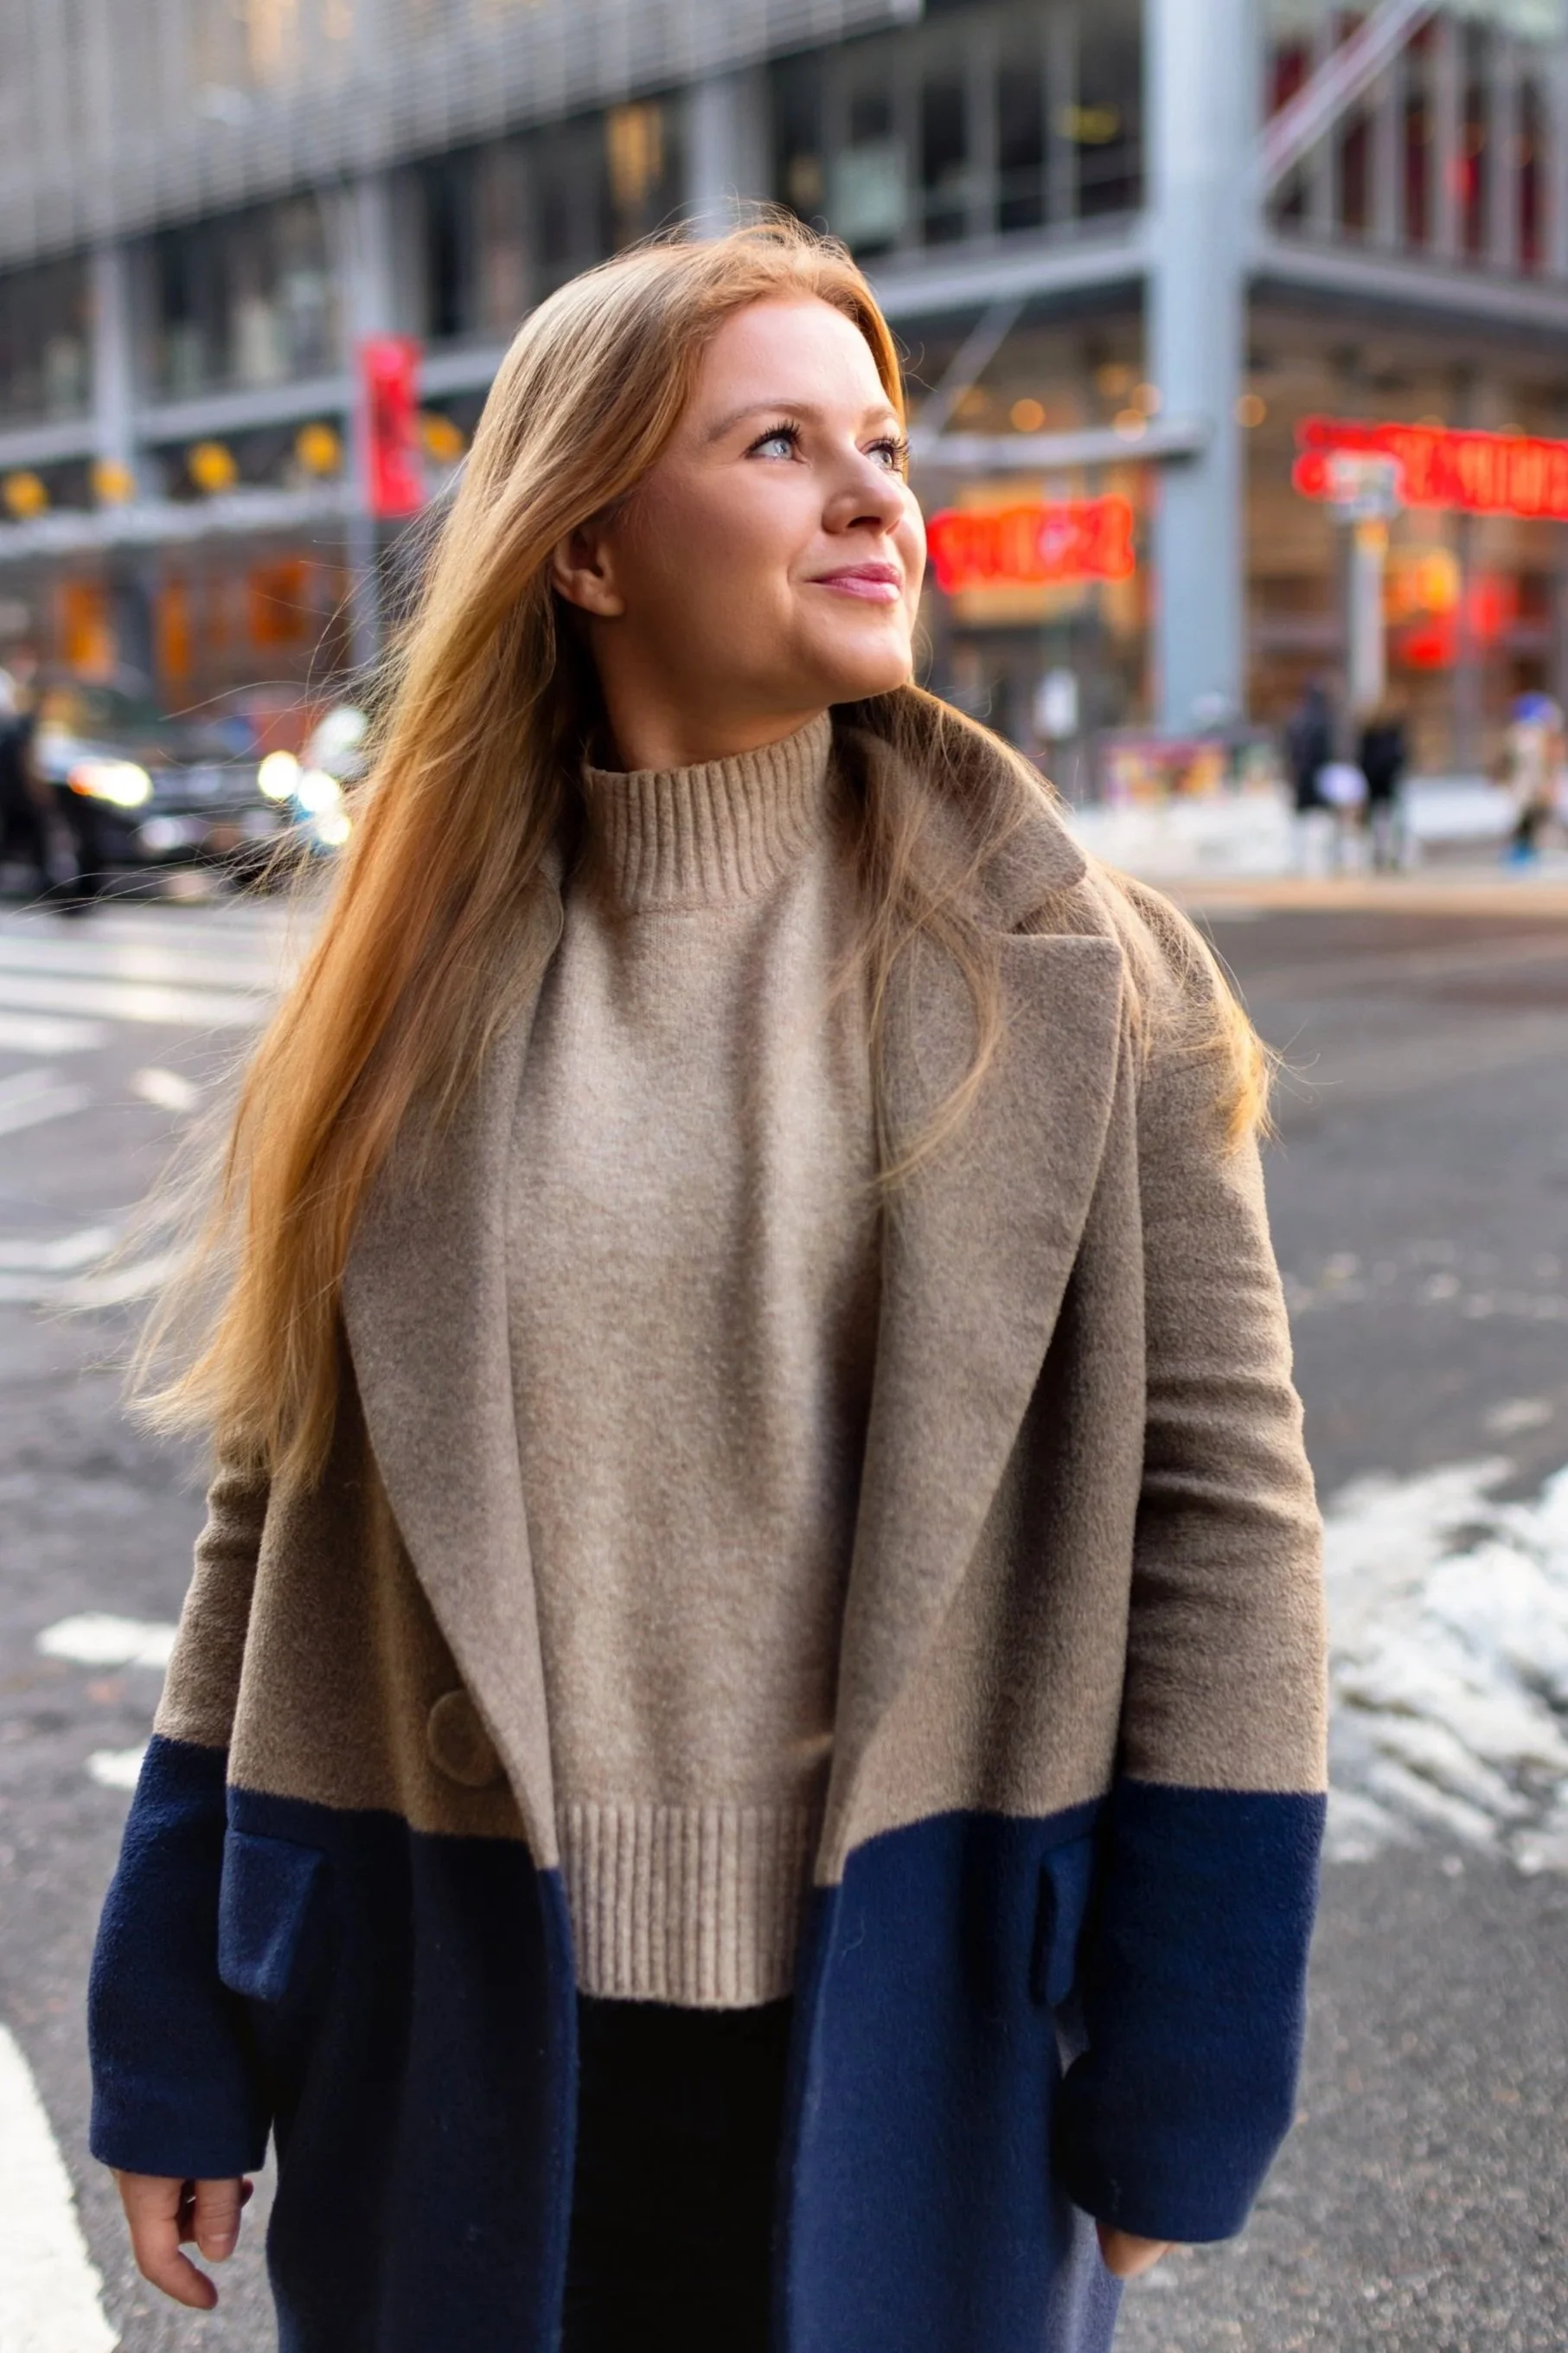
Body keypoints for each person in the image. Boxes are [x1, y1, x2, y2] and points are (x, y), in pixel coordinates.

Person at [87, 222, 1327, 2353]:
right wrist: (174, 2019)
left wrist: (1191, 2055)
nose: (871, 498)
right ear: (585, 549)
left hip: (918, 2031)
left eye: (882, 445)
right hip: (450, 2022)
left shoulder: (1087, 974)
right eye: (778, 445)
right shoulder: (411, 991)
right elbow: (272, 1516)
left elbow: (1223, 1520)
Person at [0, 669, 50, 898]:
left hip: (18, 791)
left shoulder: (24, 725)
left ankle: (43, 880)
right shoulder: (16, 727)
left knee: (32, 833)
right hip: (12, 790)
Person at [1502, 690, 1562, 866]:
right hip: (1530, 789)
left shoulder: (1527, 736)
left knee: (1534, 820)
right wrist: (1543, 786)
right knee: (1530, 820)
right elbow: (1532, 768)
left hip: (1529, 789)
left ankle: (1528, 853)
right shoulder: (1528, 737)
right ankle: (1523, 855)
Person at [1284, 678, 1334, 871]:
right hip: (1316, 776)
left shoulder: (1297, 718)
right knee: (1318, 820)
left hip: (1302, 775)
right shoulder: (1323, 720)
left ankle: (1300, 860)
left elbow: (1291, 749)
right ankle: (1315, 861)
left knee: (1302, 820)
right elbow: (1327, 751)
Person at [1357, 702, 1408, 872]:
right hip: (1383, 784)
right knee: (1387, 822)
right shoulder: (1383, 734)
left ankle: (1385, 854)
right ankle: (1387, 855)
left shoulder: (1377, 734)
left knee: (1382, 822)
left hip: (1378, 784)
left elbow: (1362, 759)